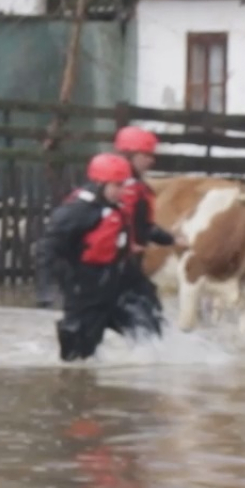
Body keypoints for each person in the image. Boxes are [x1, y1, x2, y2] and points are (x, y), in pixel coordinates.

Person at [40, 153, 151, 362]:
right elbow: (47, 249)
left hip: (111, 288)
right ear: (100, 183)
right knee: (79, 356)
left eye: (122, 185)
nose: (121, 191)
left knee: (148, 329)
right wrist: (45, 288)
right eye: (116, 186)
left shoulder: (113, 208)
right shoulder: (76, 212)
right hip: (83, 291)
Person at [111, 125, 175, 330]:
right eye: (146, 155)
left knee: (152, 318)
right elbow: (119, 221)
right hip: (117, 268)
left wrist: (172, 239)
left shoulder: (135, 185)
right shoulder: (124, 187)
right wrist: (129, 246)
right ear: (130, 155)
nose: (151, 160)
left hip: (130, 267)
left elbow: (143, 226)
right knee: (144, 321)